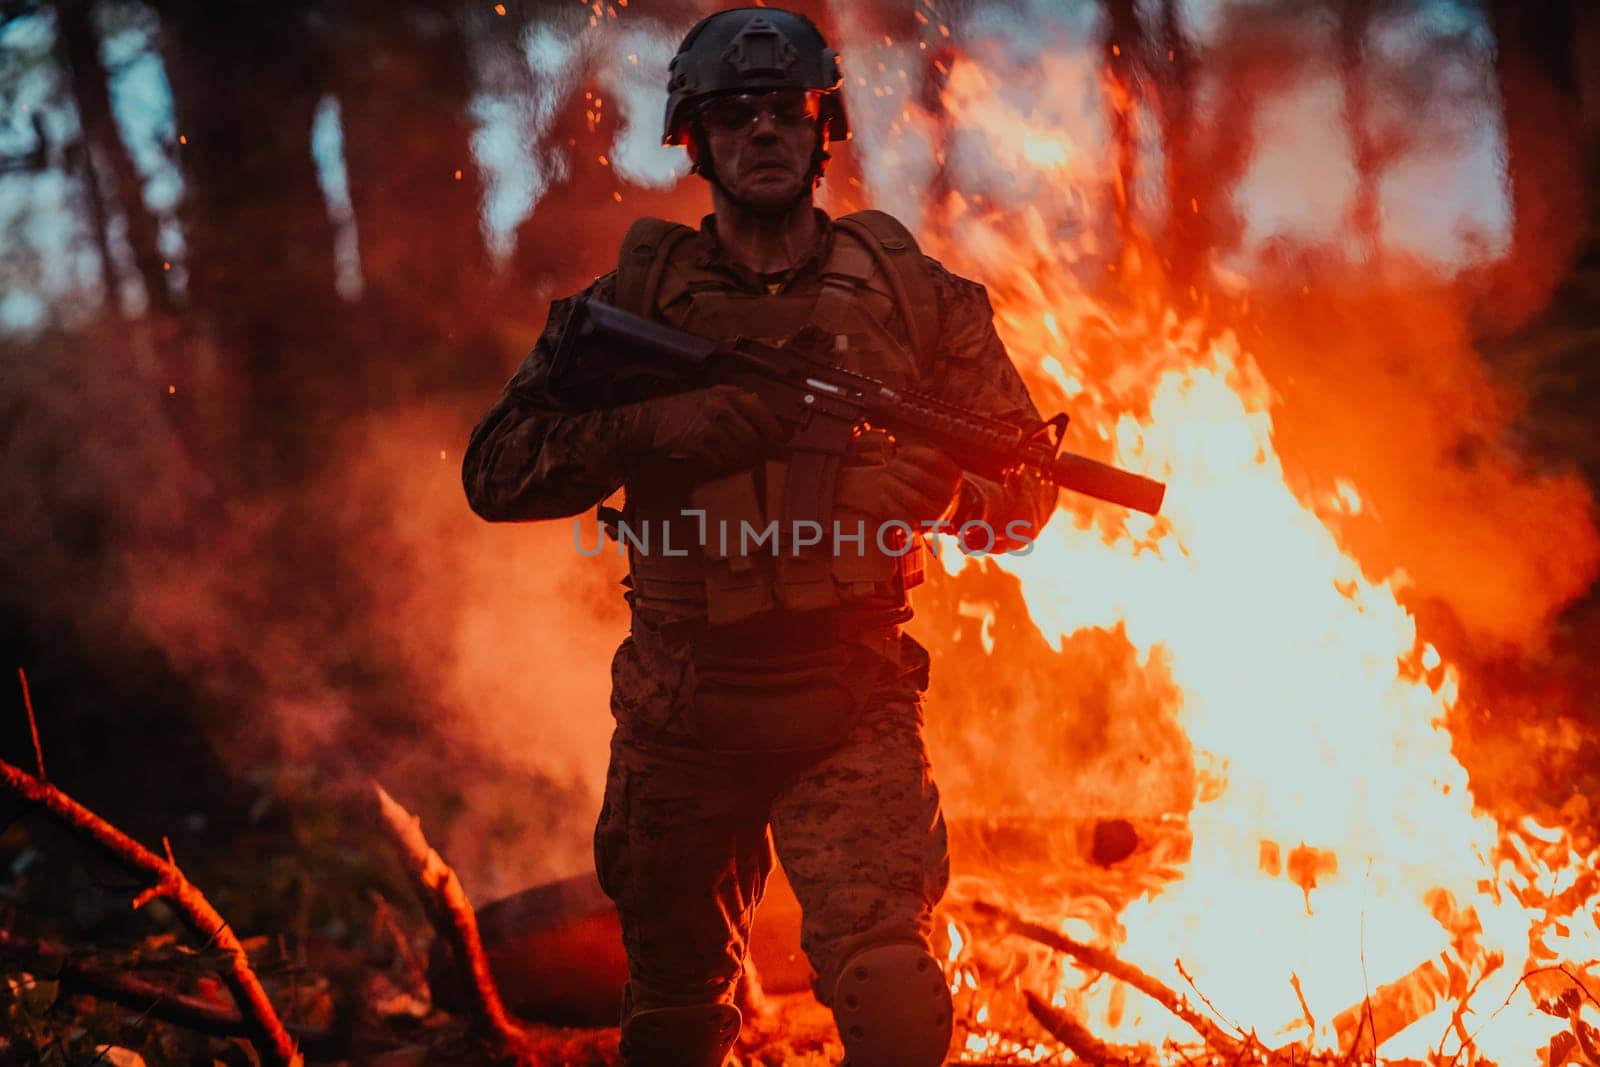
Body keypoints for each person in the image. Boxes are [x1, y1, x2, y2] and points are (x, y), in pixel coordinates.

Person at [462, 8, 1056, 1065]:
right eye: (736, 116)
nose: (764, 133)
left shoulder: (917, 301)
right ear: (693, 139)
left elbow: (1027, 487)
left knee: (892, 995)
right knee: (677, 1020)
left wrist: (949, 505)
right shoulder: (631, 307)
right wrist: (656, 425)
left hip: (850, 695)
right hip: (680, 707)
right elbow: (495, 472)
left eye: (787, 111)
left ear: (822, 128)